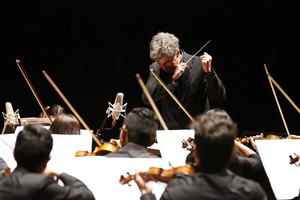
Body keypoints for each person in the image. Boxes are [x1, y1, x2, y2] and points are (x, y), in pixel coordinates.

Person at [134, 111, 267, 200]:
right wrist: (230, 140)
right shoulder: (252, 192)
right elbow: (257, 161)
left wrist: (147, 194)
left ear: (196, 153)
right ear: (230, 151)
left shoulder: (177, 192)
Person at [142, 32, 226, 130]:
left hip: (197, 131)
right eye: (159, 63)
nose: (163, 67)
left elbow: (219, 97)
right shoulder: (156, 68)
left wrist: (209, 73)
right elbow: (146, 98)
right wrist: (172, 79)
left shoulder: (199, 64)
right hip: (170, 132)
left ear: (177, 53)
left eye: (167, 62)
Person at [0, 124, 95, 200]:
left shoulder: (3, 179)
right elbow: (87, 196)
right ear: (47, 160)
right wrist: (60, 173)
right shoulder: (42, 184)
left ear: (14, 153)